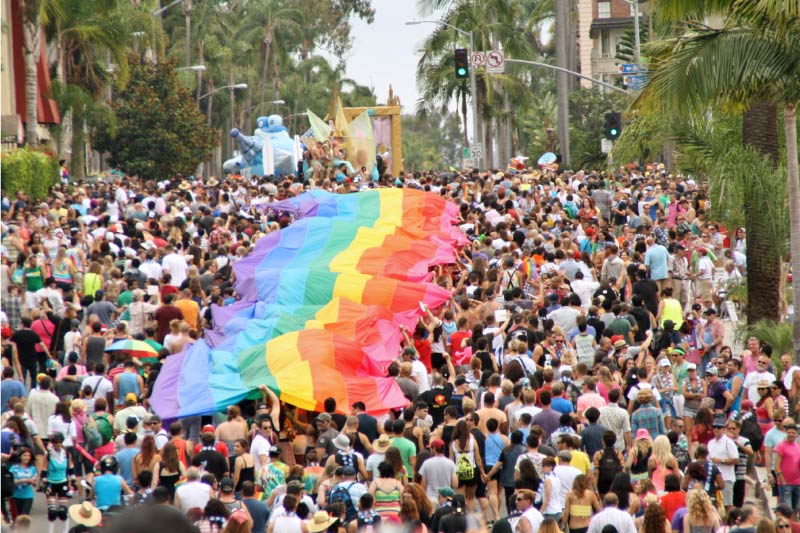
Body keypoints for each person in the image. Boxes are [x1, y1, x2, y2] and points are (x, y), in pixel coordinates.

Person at [774, 420, 800, 513]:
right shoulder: (780, 447)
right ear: (786, 433)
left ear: (797, 434)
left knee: (796, 509)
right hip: (785, 483)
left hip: (797, 483)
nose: (791, 435)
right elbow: (776, 466)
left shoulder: (798, 447)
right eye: (789, 432)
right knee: (787, 510)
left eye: (793, 433)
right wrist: (783, 481)